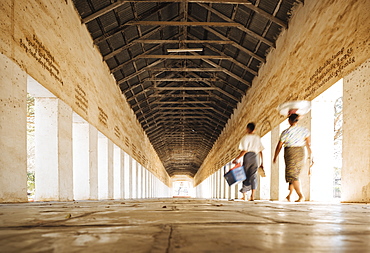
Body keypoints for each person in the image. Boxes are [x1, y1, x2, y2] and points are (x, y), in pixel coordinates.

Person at [273, 113, 312, 202]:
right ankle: (289, 195)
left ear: (289, 121)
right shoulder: (304, 130)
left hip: (290, 152)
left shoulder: (286, 132)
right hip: (301, 152)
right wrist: (311, 154)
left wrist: (275, 156)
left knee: (293, 175)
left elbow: (279, 146)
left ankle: (301, 196)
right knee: (294, 174)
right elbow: (308, 144)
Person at [232, 123, 264, 201]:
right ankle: (252, 196)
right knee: (253, 176)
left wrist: (236, 159)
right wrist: (262, 162)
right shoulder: (257, 138)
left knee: (245, 175)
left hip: (248, 157)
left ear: (247, 129)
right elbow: (260, 150)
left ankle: (244, 195)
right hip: (255, 157)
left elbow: (245, 150)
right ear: (254, 129)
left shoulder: (245, 138)